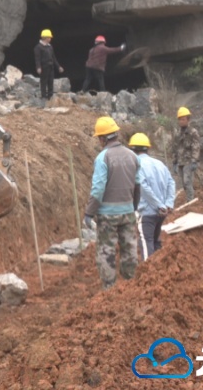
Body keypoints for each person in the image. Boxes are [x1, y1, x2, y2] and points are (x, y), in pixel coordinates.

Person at [84, 116, 142, 290]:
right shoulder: (132, 156)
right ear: (115, 134)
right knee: (130, 249)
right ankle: (131, 284)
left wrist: (89, 212)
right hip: (127, 211)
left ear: (102, 138)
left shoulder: (103, 158)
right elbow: (137, 184)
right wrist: (134, 206)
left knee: (106, 251)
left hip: (107, 215)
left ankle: (109, 289)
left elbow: (98, 189)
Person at [129, 133, 175, 259]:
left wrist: (159, 205)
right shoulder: (159, 164)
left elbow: (143, 188)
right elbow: (171, 182)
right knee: (156, 241)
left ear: (133, 150)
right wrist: (168, 203)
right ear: (147, 149)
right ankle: (161, 272)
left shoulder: (137, 166)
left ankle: (149, 275)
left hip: (147, 213)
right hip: (161, 214)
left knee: (146, 242)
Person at [173, 106, 201, 205]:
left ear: (188, 119)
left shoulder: (193, 132)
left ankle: (190, 201)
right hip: (180, 161)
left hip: (189, 161)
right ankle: (189, 199)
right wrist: (175, 161)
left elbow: (196, 147)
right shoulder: (178, 133)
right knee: (184, 183)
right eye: (179, 119)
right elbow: (176, 148)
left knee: (187, 181)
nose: (181, 121)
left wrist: (194, 160)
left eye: (183, 119)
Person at [34, 29, 63, 99]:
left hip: (51, 67)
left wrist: (58, 67)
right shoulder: (38, 47)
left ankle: (50, 97)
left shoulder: (50, 47)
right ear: (45, 38)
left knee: (50, 82)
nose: (50, 38)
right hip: (44, 67)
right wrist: (38, 67)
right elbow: (37, 59)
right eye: (49, 37)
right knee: (44, 82)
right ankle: (43, 97)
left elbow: (54, 58)